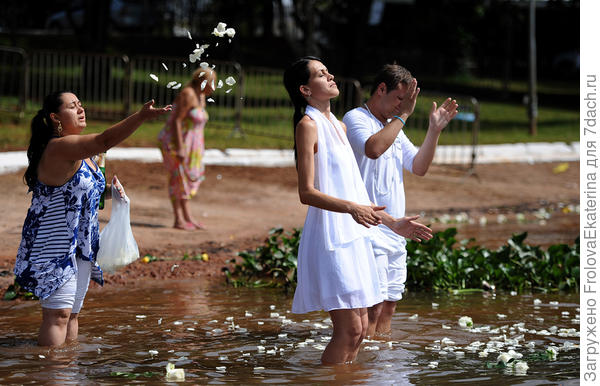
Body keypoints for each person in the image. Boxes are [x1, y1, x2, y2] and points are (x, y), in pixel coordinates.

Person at [283, 57, 432, 365]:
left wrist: (392, 222)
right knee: (350, 330)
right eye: (321, 75)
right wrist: (351, 209)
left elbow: (355, 190)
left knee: (361, 329)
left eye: (328, 71)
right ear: (305, 89)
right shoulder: (307, 126)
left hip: (354, 235)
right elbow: (306, 192)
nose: (330, 76)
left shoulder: (337, 125)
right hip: (331, 235)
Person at [14, 91, 171, 347]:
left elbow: (83, 194)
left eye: (80, 104)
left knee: (72, 315)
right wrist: (141, 117)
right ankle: (48, 373)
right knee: (58, 316)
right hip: (53, 246)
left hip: (82, 246)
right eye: (72, 106)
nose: (80, 109)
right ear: (55, 118)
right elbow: (105, 139)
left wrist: (111, 193)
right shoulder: (58, 148)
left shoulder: (85, 155)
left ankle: (67, 372)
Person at [343, 64, 458, 338]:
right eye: (399, 98)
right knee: (372, 307)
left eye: (405, 102)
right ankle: (365, 373)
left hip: (397, 229)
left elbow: (418, 166)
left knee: (389, 306)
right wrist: (404, 114)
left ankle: (385, 369)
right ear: (381, 89)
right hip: (368, 227)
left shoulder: (392, 126)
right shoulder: (355, 117)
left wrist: (434, 130)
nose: (401, 106)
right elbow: (372, 149)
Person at [158, 67, 216, 230]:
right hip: (176, 143)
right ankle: (179, 219)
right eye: (213, 83)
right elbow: (176, 121)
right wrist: (181, 148)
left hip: (192, 145)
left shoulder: (201, 96)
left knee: (185, 181)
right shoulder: (188, 94)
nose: (214, 87)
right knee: (178, 179)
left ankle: (187, 217)